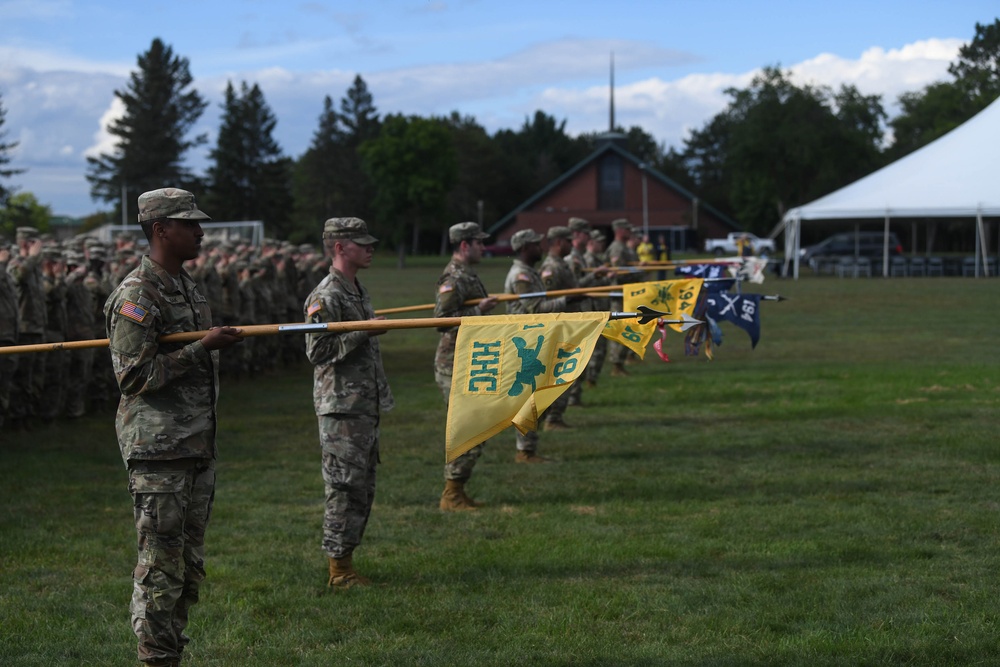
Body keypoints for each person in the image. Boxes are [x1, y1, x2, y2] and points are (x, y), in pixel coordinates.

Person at [105, 187, 243, 667]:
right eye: (190, 223)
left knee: (188, 565)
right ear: (160, 229)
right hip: (158, 449)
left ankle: (170, 653)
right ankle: (155, 658)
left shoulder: (187, 287)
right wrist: (202, 348)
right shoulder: (136, 295)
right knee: (160, 566)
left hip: (193, 445)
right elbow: (134, 376)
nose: (201, 232)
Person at [304, 217, 394, 588]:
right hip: (341, 407)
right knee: (343, 487)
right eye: (361, 243)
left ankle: (346, 562)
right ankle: (339, 570)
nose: (370, 247)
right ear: (340, 247)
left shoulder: (355, 289)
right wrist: (365, 330)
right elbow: (317, 350)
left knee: (362, 486)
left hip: (362, 404)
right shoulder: (326, 295)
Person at [433, 222, 498, 511]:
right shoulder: (452, 277)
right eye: (479, 243)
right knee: (469, 428)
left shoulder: (467, 275)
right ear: (464, 245)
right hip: (454, 364)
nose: (483, 248)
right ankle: (451, 494)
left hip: (470, 359)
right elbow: (442, 319)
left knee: (477, 427)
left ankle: (457, 489)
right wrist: (478, 310)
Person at [503, 228, 573, 462]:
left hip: (535, 340)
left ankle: (528, 448)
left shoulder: (528, 272)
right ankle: (525, 451)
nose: (540, 248)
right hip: (526, 346)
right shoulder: (520, 276)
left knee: (539, 396)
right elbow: (535, 308)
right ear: (524, 248)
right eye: (535, 245)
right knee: (530, 398)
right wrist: (569, 300)